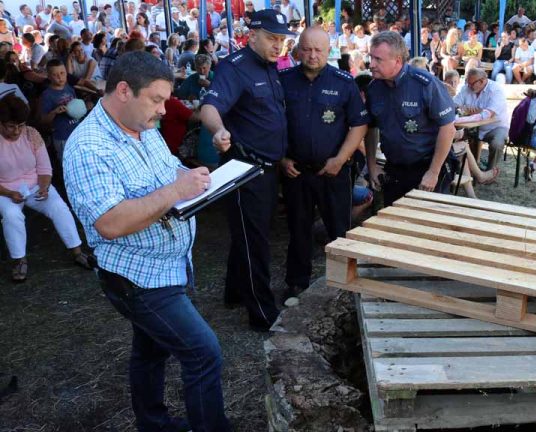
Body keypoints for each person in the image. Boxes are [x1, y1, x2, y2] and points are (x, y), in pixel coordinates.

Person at [63, 51, 230, 432]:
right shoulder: (88, 148)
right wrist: (176, 189)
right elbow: (110, 222)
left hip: (166, 266)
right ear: (123, 90)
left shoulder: (143, 125)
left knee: (150, 350)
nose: (162, 110)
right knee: (203, 354)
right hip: (137, 279)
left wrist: (191, 176)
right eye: (156, 100)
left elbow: (164, 170)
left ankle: (152, 424)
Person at [200, 9, 293, 331]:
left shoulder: (272, 67)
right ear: (252, 35)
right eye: (271, 38)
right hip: (245, 167)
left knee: (250, 233)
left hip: (268, 169)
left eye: (282, 39)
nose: (278, 45)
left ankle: (234, 292)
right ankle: (263, 314)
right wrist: (217, 131)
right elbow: (210, 107)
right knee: (255, 241)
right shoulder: (234, 68)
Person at [279, 27, 368, 303]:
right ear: (298, 50)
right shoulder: (282, 81)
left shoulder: (344, 82)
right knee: (299, 229)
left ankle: (346, 285)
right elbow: (271, 124)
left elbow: (359, 124)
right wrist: (281, 158)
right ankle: (296, 283)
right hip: (296, 171)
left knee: (339, 230)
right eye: (307, 49)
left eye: (319, 49)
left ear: (329, 51)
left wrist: (340, 159)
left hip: (334, 170)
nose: (313, 55)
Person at [0, 94, 92, 282]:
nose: (17, 130)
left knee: (59, 207)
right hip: (5, 190)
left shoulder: (31, 134)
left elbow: (44, 166)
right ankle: (19, 261)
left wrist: (44, 187)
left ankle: (77, 251)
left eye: (21, 124)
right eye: (11, 126)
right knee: (12, 215)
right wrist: (9, 193)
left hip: (34, 185)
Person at [364, 31, 456, 206]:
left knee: (426, 223)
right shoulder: (374, 88)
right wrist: (372, 165)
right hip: (395, 168)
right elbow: (371, 128)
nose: (372, 64)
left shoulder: (425, 84)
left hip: (426, 166)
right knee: (396, 220)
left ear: (397, 60)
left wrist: (434, 172)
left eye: (378, 59)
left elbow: (448, 128)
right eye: (371, 58)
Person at [453, 68, 509, 171]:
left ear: (482, 81)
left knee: (497, 143)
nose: (469, 86)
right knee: (452, 136)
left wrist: (474, 113)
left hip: (495, 127)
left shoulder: (496, 90)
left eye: (472, 83)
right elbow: (454, 104)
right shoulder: (467, 88)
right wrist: (462, 109)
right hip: (473, 127)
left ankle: (490, 172)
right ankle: (463, 169)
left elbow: (488, 114)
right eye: (467, 83)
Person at [40, 60, 81, 161]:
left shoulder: (70, 89)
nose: (60, 77)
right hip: (62, 136)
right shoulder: (47, 95)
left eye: (62, 73)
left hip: (76, 132)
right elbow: (44, 120)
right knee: (66, 163)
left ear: (66, 73)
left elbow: (76, 111)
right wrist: (54, 112)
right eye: (55, 74)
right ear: (49, 76)